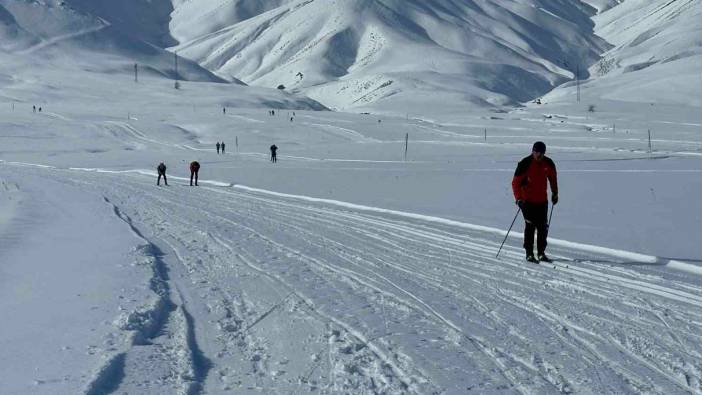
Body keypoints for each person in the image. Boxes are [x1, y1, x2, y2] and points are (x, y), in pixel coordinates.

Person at [511, 141, 558, 263]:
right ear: (532, 151)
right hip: (527, 201)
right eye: (536, 152)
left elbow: (553, 178)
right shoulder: (525, 163)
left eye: (540, 153)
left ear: (544, 153)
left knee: (543, 227)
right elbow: (515, 183)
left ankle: (541, 253)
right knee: (530, 226)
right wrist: (518, 199)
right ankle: (529, 253)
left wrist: (555, 193)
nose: (538, 155)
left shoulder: (548, 163)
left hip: (542, 201)